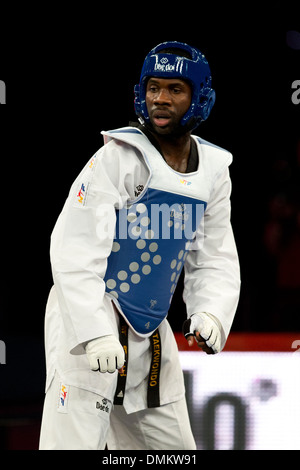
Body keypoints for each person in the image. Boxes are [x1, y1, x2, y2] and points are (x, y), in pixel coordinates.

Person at [39, 41, 240, 450]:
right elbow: (73, 249)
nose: (160, 99)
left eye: (175, 89)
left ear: (199, 97)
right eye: (153, 87)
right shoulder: (117, 157)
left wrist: (211, 313)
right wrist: (94, 333)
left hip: (149, 331)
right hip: (89, 321)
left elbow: (214, 254)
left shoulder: (215, 172)